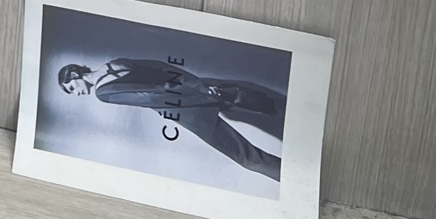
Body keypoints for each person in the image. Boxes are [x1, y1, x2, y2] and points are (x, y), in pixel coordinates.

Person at [58, 57, 284, 179]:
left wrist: (196, 100)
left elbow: (151, 98)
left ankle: (295, 183)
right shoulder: (115, 63)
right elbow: (162, 67)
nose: (76, 93)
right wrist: (202, 87)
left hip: (190, 111)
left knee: (249, 158)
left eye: (71, 87)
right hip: (200, 87)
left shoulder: (102, 93)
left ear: (75, 74)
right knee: (269, 105)